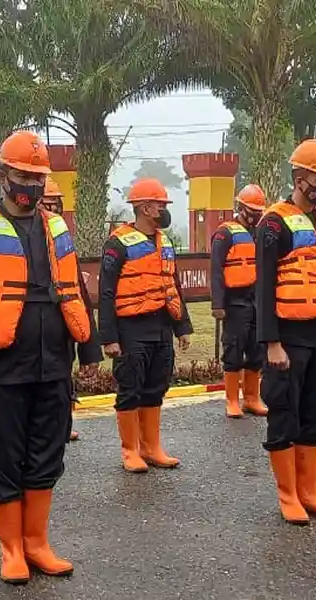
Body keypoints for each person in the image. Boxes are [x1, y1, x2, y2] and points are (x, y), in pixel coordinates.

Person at [0, 131, 100, 584]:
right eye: (23, 175)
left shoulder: (57, 228)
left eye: (38, 177)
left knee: (47, 453)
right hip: (1, 366)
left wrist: (89, 349)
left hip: (53, 361)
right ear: (2, 176)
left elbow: (75, 290)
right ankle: (11, 549)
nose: (31, 185)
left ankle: (37, 543)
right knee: (2, 454)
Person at [256, 139, 316, 525]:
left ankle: (310, 491)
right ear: (298, 178)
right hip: (288, 336)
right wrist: (272, 342)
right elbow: (262, 287)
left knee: (314, 412)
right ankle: (288, 494)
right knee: (284, 413)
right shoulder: (273, 223)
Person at [99, 178, 193, 473]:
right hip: (131, 328)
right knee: (131, 388)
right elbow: (106, 292)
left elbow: (173, 284)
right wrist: (109, 337)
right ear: (143, 207)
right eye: (160, 205)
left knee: (156, 386)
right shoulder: (118, 243)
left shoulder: (165, 242)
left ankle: (151, 447)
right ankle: (130, 450)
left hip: (161, 326)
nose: (164, 210)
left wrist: (182, 326)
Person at [38, 177, 91, 443]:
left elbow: (79, 290)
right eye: (49, 204)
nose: (54, 209)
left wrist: (90, 349)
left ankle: (64, 424)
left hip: (63, 325)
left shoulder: (62, 239)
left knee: (63, 378)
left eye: (57, 204)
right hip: (30, 328)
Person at [211, 184, 268, 418]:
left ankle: (252, 399)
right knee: (233, 350)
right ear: (241, 208)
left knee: (256, 350)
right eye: (252, 211)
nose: (256, 215)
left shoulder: (260, 232)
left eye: (259, 211)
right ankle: (232, 400)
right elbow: (215, 269)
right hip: (235, 302)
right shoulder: (225, 233)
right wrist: (217, 304)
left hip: (257, 300)